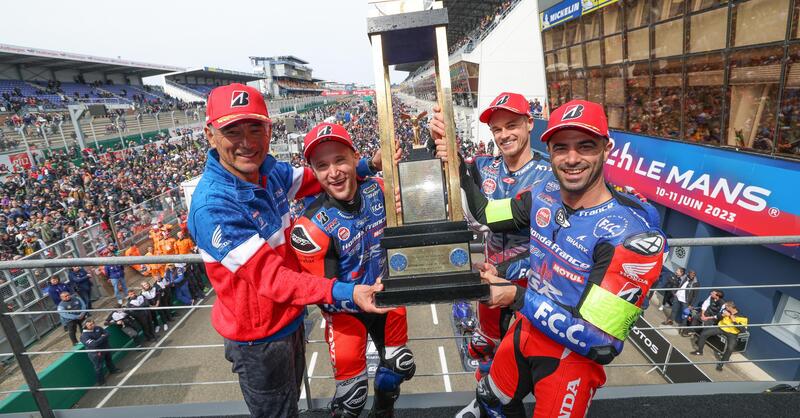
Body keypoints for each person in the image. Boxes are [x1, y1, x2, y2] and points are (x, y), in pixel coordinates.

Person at [434, 100, 667, 417]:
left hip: (571, 360)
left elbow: (601, 342)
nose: (572, 159)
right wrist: (456, 163)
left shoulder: (631, 235)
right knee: (489, 398)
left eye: (585, 146)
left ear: (606, 148)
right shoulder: (544, 191)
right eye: (561, 148)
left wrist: (515, 296)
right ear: (551, 150)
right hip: (525, 330)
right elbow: (486, 215)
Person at [187, 83, 387, 418]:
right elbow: (273, 280)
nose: (248, 142)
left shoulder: (269, 171)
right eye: (232, 131)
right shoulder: (212, 207)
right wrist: (345, 291)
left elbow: (314, 179)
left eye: (256, 128)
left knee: (290, 402)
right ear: (210, 135)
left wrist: (367, 165)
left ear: (269, 129)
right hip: (258, 341)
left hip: (291, 319)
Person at [290, 123, 415, 417]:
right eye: (323, 166)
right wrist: (356, 296)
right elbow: (320, 293)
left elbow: (408, 230)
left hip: (386, 296)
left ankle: (384, 412)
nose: (333, 172)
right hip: (345, 312)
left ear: (354, 157)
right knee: (351, 400)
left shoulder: (380, 189)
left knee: (400, 366)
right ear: (314, 172)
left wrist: (405, 209)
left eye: (340, 160)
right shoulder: (310, 227)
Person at [433, 92, 553, 381]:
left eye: (511, 125)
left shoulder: (549, 173)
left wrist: (457, 165)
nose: (504, 135)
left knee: (533, 359)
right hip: (490, 279)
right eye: (496, 129)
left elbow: (485, 218)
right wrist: (438, 139)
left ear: (529, 123)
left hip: (535, 284)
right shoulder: (484, 165)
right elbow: (451, 186)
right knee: (486, 351)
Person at [691, 301, 748, 371]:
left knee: (730, 348)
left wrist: (734, 321)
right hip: (721, 328)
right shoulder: (725, 311)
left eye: (726, 307)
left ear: (730, 307)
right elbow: (718, 317)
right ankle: (699, 351)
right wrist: (722, 315)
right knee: (704, 334)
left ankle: (721, 365)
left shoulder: (742, 317)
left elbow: (743, 330)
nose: (724, 308)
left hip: (732, 333)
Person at [80, 318, 121, 385]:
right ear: (85, 326)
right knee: (98, 367)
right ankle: (101, 381)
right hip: (96, 353)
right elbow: (94, 344)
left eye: (93, 323)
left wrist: (100, 339)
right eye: (90, 324)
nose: (93, 325)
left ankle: (113, 370)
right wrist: (102, 337)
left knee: (109, 360)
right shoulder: (84, 336)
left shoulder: (97, 328)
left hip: (105, 348)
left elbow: (107, 333)